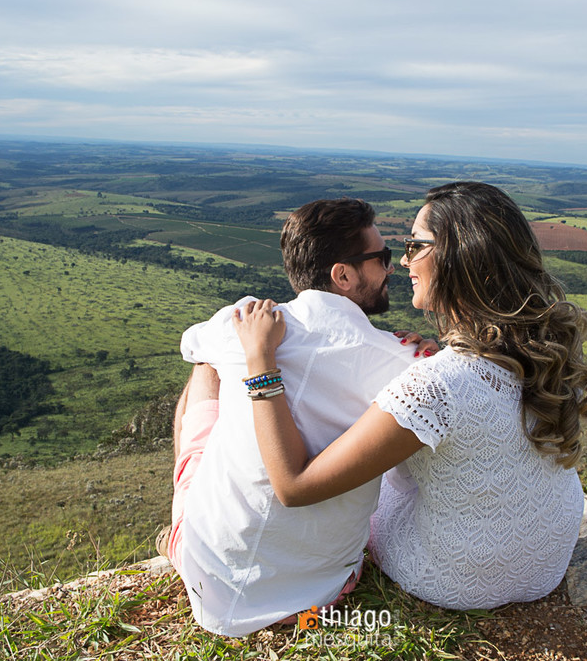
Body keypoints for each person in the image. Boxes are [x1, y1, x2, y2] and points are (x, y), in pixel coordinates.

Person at [234, 181, 587, 610]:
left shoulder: (435, 385)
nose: (404, 261)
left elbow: (294, 486)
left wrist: (261, 361)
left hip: (453, 577)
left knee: (368, 483)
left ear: (458, 257)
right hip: (544, 566)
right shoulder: (542, 349)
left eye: (414, 246)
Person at [166, 197, 432, 636]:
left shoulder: (244, 321)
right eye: (382, 258)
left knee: (206, 368)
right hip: (321, 601)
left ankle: (183, 518)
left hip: (202, 577)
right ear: (342, 275)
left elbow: (190, 345)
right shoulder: (402, 362)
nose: (392, 268)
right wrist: (421, 351)